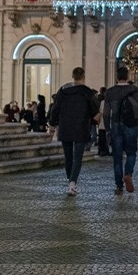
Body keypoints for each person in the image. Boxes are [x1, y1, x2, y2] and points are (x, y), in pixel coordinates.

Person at [48, 66, 100, 196]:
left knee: (68, 157)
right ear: (83, 77)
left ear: (73, 76)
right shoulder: (87, 92)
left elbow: (55, 108)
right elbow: (95, 110)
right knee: (77, 157)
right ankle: (72, 182)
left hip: (65, 127)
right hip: (81, 127)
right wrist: (95, 121)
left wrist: (52, 124)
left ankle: (69, 180)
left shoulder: (63, 90)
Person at [105, 66, 138, 195]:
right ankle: (128, 173)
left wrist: (107, 129)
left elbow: (106, 113)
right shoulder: (134, 90)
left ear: (117, 77)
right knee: (131, 153)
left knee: (117, 157)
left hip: (116, 125)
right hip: (131, 125)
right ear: (127, 76)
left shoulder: (110, 92)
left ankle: (119, 186)